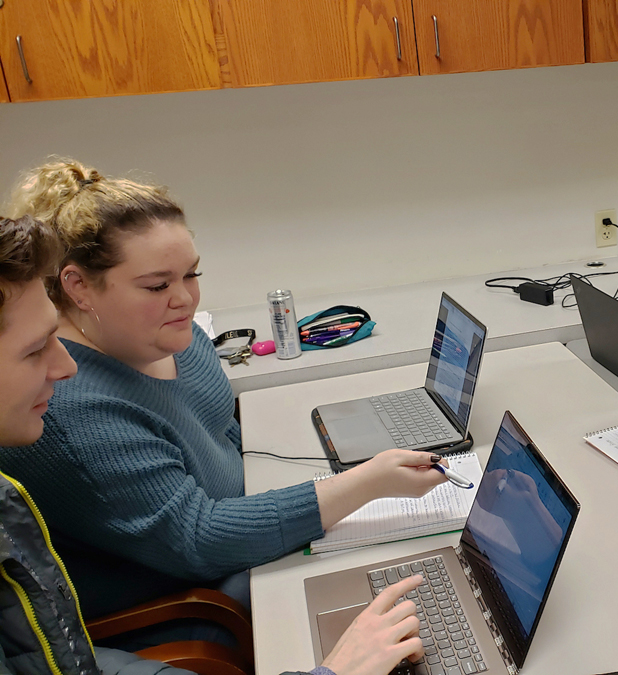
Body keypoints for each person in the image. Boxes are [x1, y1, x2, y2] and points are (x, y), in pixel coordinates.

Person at [0, 159, 447, 622]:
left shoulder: (173, 330)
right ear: (78, 287)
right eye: (157, 285)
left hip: (241, 525)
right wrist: (366, 483)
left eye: (191, 275)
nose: (185, 299)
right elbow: (197, 540)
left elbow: (219, 429)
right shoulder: (68, 411)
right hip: (190, 598)